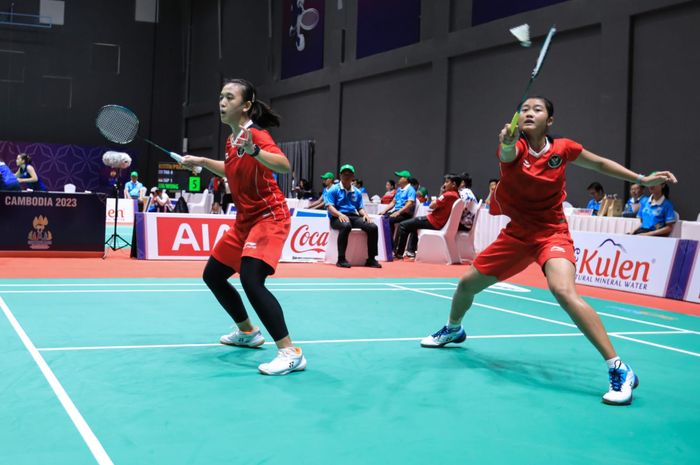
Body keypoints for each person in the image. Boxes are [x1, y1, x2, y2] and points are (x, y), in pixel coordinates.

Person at [420, 96, 677, 406]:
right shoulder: (515, 147)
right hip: (517, 234)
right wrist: (505, 143)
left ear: (549, 121)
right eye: (524, 109)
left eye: (537, 109)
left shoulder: (563, 149)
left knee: (563, 290)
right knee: (465, 285)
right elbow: (506, 152)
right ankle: (454, 329)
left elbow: (598, 163)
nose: (529, 112)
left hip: (551, 231)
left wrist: (640, 179)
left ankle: (619, 368)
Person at [180, 78, 305, 376]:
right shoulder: (232, 139)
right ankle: (248, 332)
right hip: (244, 221)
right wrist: (199, 161)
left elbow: (285, 165)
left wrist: (255, 151)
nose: (222, 102)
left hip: (268, 216)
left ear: (246, 105)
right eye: (221, 96)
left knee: (251, 279)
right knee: (213, 275)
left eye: (230, 97)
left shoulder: (256, 135)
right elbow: (231, 169)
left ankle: (290, 352)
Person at [326, 164, 382, 268]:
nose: (346, 176)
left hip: (353, 216)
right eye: (344, 174)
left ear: (353, 176)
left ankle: (371, 259)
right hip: (337, 217)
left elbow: (360, 208)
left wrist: (365, 215)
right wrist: (339, 214)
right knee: (346, 225)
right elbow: (329, 207)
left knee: (373, 227)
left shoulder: (357, 192)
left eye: (349, 174)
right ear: (340, 175)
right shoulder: (333, 189)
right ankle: (341, 259)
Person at [394, 173, 461, 260]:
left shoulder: (448, 195)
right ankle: (411, 251)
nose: (444, 184)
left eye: (447, 182)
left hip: (434, 222)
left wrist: (442, 193)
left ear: (454, 184)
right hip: (438, 222)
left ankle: (398, 253)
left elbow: (431, 205)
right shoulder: (456, 195)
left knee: (403, 225)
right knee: (413, 226)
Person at [380, 170, 416, 235]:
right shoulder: (399, 189)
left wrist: (398, 212)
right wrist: (384, 211)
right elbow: (393, 202)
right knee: (382, 218)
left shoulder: (411, 190)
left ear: (406, 179)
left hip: (405, 213)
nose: (398, 179)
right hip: (397, 211)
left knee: (389, 220)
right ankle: (385, 241)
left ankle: (391, 242)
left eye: (400, 177)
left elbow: (409, 204)